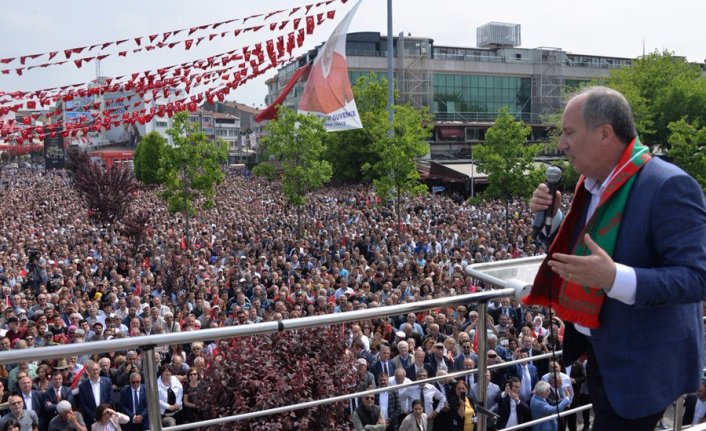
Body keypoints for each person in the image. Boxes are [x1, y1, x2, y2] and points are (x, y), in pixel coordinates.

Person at [524, 86, 706, 430]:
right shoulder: (591, 184)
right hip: (601, 352)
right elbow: (590, 249)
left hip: (640, 365)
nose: (562, 144)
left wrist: (614, 279)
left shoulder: (669, 186)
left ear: (604, 133)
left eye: (569, 132)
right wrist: (555, 221)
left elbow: (697, 278)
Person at [77, 361, 113, 428]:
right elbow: (83, 404)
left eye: (97, 369)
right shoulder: (83, 386)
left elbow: (111, 398)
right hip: (91, 419)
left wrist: (105, 412)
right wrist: (95, 415)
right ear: (88, 371)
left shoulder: (107, 381)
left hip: (107, 416)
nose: (96, 372)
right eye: (93, 370)